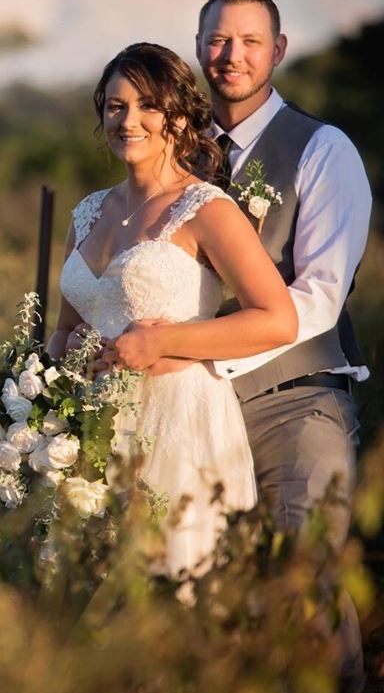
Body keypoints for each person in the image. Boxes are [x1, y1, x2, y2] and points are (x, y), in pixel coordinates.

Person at [122, 0, 369, 690]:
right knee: (196, 585)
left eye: (250, 41)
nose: (232, 56)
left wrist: (197, 346)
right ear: (200, 48)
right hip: (184, 412)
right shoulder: (177, 157)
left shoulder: (322, 149)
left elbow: (320, 296)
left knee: (303, 579)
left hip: (295, 401)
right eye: (218, 40)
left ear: (278, 51)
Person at [48, 42, 298, 578]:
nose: (128, 121)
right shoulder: (87, 212)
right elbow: (65, 328)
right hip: (92, 426)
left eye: (146, 106)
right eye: (115, 107)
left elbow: (277, 319)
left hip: (178, 418)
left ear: (179, 118)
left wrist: (162, 341)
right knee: (95, 592)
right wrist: (55, 371)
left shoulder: (207, 208)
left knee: (174, 581)